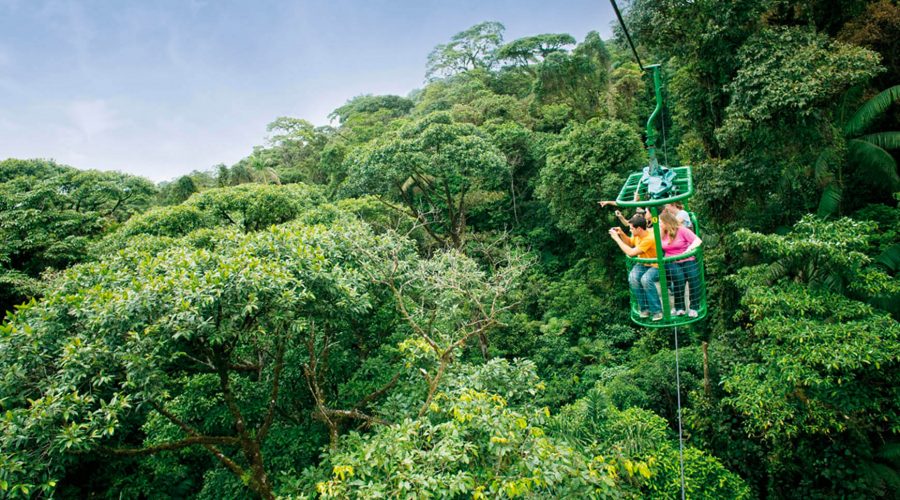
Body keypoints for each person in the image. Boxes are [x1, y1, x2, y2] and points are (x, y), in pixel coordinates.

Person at [609, 214, 662, 321]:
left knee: (645, 279)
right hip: (643, 263)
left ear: (639, 228)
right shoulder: (637, 235)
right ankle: (645, 308)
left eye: (631, 228)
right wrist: (622, 234)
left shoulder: (649, 238)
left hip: (656, 265)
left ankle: (657, 311)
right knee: (633, 277)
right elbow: (630, 243)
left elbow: (631, 252)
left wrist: (616, 239)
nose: (630, 230)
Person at [659, 211, 702, 317]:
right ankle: (679, 307)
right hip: (672, 260)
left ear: (667, 222)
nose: (659, 224)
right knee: (679, 278)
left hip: (687, 259)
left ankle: (694, 307)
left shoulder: (682, 230)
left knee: (693, 278)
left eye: (661, 222)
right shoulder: (661, 233)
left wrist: (688, 250)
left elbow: (697, 241)